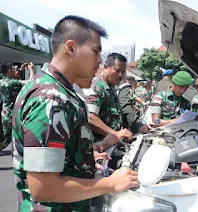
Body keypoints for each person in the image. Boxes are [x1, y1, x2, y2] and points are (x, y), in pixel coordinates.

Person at [12, 15, 138, 212]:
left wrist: (87, 155)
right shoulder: (51, 100)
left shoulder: (61, 92)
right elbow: (43, 188)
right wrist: (111, 184)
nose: (99, 61)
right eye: (96, 51)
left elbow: (60, 153)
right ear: (71, 48)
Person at [84, 53, 133, 143]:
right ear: (106, 67)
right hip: (99, 146)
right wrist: (115, 134)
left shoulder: (111, 87)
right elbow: (90, 117)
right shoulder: (97, 86)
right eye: (117, 71)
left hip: (111, 144)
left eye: (123, 72)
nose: (120, 75)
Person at [0, 62, 34, 151]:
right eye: (13, 68)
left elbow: (13, 77)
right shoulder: (11, 83)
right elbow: (31, 82)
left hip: (5, 113)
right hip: (12, 114)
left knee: (4, 138)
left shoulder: (2, 80)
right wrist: (31, 69)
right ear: (9, 70)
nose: (15, 69)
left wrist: (20, 70)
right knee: (14, 137)